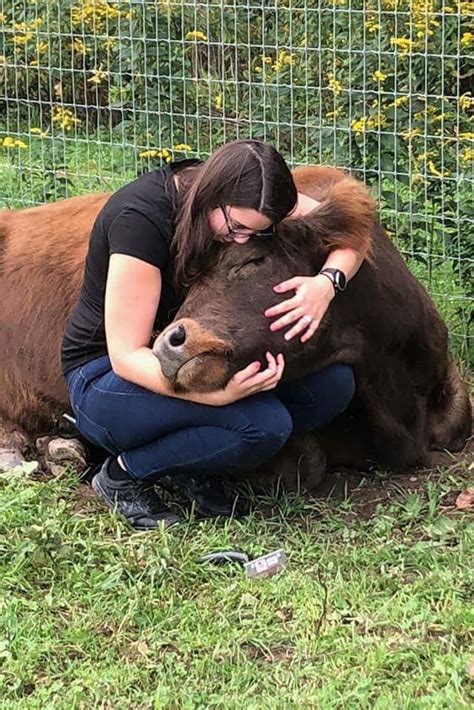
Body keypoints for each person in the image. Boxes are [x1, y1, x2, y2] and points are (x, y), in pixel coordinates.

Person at [61, 140, 364, 530]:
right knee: (264, 425)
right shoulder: (140, 220)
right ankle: (123, 475)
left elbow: (353, 225)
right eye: (236, 228)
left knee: (332, 387)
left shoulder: (253, 198)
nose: (241, 240)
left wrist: (327, 282)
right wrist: (218, 396)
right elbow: (126, 355)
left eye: (257, 232)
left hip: (196, 359)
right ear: (211, 195)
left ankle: (194, 464)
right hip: (108, 379)